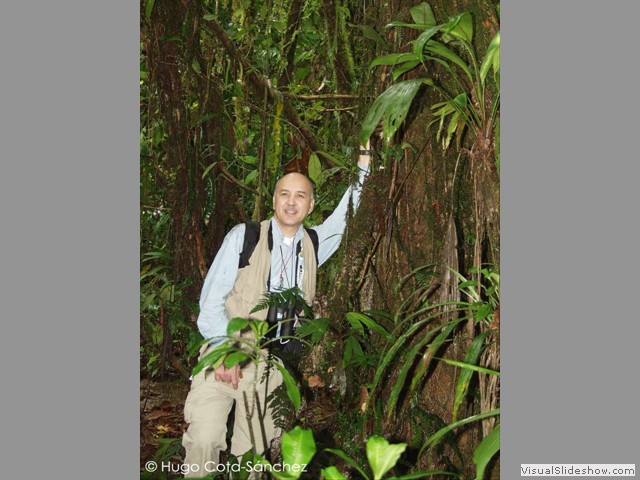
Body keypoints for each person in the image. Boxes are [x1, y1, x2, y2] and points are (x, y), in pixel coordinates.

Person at [181, 145, 372, 478]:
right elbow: (210, 304)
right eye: (284, 194)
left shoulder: (313, 245)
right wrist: (227, 349)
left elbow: (346, 215)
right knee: (203, 440)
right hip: (224, 355)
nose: (291, 201)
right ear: (273, 201)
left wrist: (365, 163)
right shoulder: (245, 237)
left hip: (271, 367)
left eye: (300, 196)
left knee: (251, 458)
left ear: (310, 205)